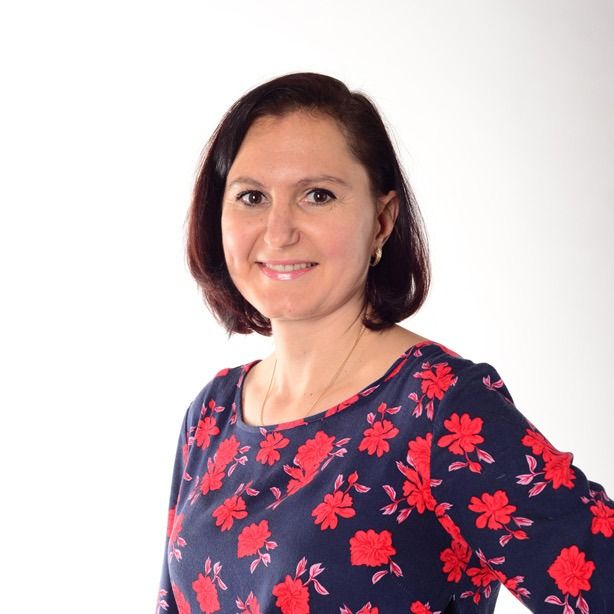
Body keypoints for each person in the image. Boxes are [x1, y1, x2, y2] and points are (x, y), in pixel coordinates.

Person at [156, 72, 614, 614]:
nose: (278, 232)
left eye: (318, 195)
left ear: (381, 220)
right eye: (252, 196)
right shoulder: (212, 414)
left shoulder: (438, 406)